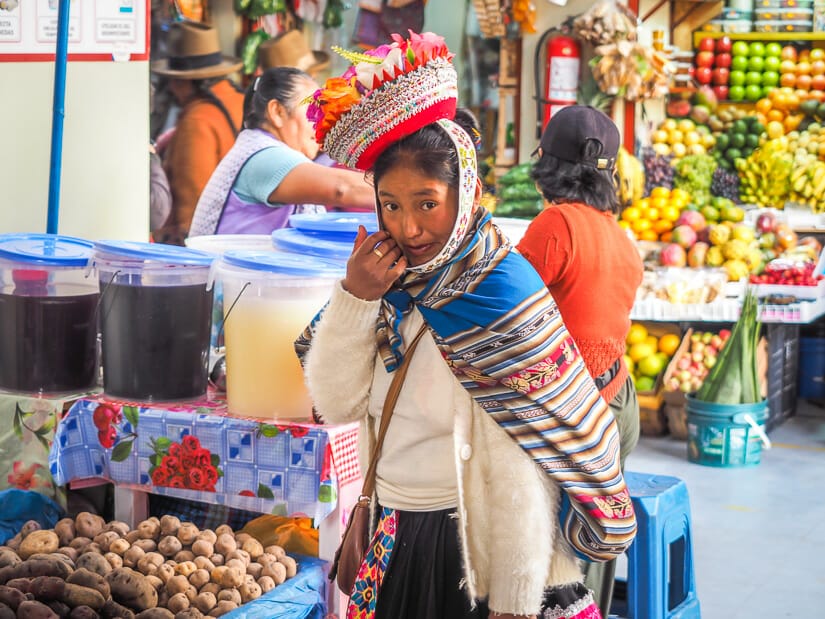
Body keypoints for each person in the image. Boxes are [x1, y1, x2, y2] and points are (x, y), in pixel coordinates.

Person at [295, 32, 636, 619]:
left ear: (466, 190)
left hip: (479, 551)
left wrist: (513, 596)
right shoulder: (380, 285)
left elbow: (528, 464)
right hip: (392, 534)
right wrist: (354, 299)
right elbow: (338, 405)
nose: (409, 227)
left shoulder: (504, 293)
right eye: (391, 204)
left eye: (427, 202)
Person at [515, 105, 645, 617]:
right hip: (618, 404)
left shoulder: (555, 223)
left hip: (574, 414)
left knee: (556, 571)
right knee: (588, 546)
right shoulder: (621, 237)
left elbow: (508, 310)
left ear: (545, 162)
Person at [188, 67, 374, 237]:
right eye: (313, 110)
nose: (321, 123)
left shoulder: (257, 147)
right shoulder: (264, 157)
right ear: (277, 112)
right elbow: (342, 189)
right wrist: (400, 188)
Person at [152, 21, 246, 244]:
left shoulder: (197, 121)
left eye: (175, 80)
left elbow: (192, 203)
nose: (173, 88)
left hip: (206, 244)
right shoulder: (240, 100)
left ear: (187, 82)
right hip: (238, 233)